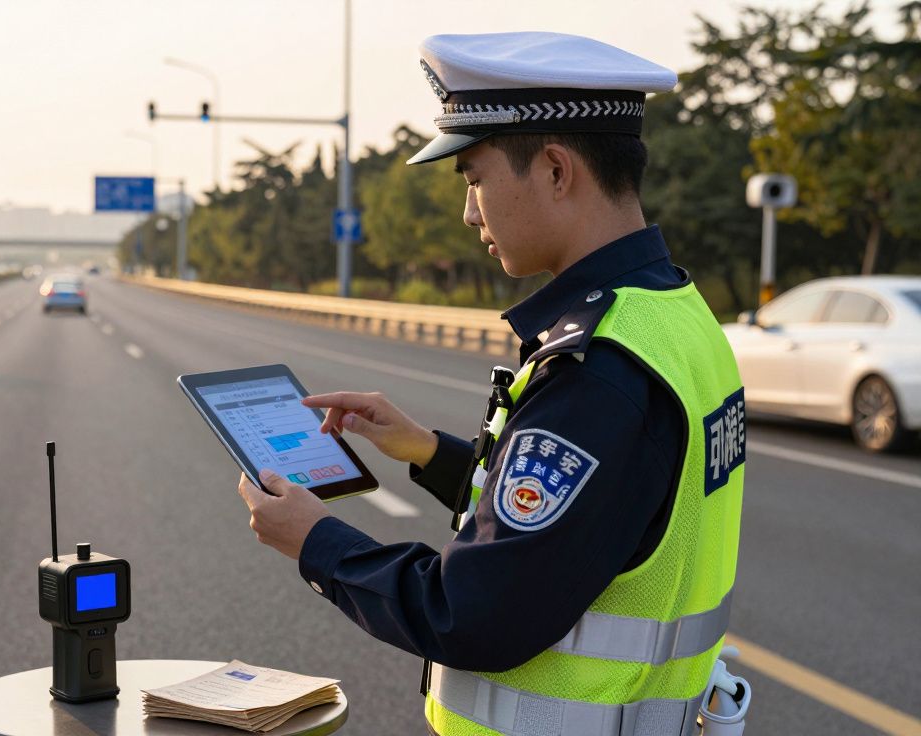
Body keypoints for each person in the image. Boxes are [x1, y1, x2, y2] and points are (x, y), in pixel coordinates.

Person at [235, 32, 747, 736]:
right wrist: (427, 451)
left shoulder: (598, 372)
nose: (470, 213)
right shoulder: (675, 315)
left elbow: (469, 614)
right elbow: (590, 519)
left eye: (474, 178)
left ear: (557, 170)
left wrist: (316, 542)